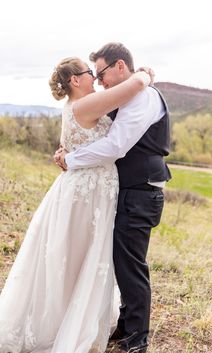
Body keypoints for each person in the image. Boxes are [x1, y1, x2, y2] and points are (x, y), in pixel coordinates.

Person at [0, 57, 151, 353]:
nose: (94, 76)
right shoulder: (84, 105)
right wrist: (145, 74)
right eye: (88, 72)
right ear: (74, 80)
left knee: (77, 257)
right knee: (78, 258)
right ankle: (61, 324)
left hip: (88, 190)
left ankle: (74, 316)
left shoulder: (78, 106)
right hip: (87, 195)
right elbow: (133, 86)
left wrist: (66, 153)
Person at [55, 43, 172, 353]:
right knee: (120, 261)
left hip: (142, 190)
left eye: (102, 72)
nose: (100, 80)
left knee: (131, 264)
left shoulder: (143, 97)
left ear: (121, 67)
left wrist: (73, 158)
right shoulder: (126, 95)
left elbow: (117, 145)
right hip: (128, 190)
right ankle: (125, 325)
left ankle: (138, 338)